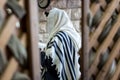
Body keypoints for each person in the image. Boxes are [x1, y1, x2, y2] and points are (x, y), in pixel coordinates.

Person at [40, 6, 81, 80]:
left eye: (50, 21)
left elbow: (51, 60)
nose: (48, 25)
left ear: (56, 21)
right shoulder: (72, 35)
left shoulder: (59, 37)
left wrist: (41, 55)